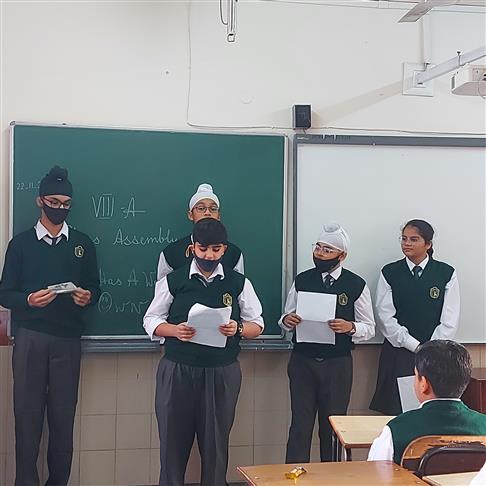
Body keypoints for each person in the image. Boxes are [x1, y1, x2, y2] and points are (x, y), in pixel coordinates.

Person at [0, 166, 101, 486]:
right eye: (54, 202)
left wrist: (87, 297)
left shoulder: (82, 244)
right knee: (27, 417)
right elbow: (5, 293)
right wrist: (28, 300)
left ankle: (59, 481)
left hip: (68, 341)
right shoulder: (20, 244)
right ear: (40, 201)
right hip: (30, 339)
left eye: (66, 203)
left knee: (63, 417)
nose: (60, 208)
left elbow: (95, 288)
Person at [144, 218, 263, 486]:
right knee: (172, 444)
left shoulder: (238, 283)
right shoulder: (173, 281)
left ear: (224, 250)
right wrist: (174, 330)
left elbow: (257, 324)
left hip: (221, 371)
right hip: (178, 370)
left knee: (216, 445)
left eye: (216, 250)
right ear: (193, 248)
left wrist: (238, 328)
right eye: (203, 249)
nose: (209, 255)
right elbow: (151, 319)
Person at [280, 223, 375, 463]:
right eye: (318, 248)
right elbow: (286, 316)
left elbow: (369, 327)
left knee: (333, 427)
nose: (320, 254)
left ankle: (332, 475)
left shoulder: (356, 284)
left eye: (327, 250)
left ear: (342, 256)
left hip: (337, 364)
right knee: (300, 425)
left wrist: (350, 327)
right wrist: (287, 320)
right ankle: (293, 475)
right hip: (302, 362)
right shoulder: (302, 280)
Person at [370, 219, 460, 415]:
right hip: (398, 352)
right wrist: (414, 346)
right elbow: (385, 317)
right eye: (404, 239)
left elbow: (449, 319)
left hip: (435, 355)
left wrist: (430, 348)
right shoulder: (390, 272)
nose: (406, 243)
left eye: (413, 239)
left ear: (428, 244)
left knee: (430, 412)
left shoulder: (445, 273)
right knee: (396, 412)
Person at [368, 340, 486, 464]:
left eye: (415, 375)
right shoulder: (483, 424)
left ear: (424, 384)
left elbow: (374, 472)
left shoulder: (395, 430)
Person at [157, 183, 244, 280]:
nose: (207, 213)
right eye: (201, 208)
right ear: (190, 215)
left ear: (219, 216)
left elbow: (239, 285)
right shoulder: (171, 253)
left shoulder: (234, 254)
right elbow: (162, 286)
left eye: (213, 209)